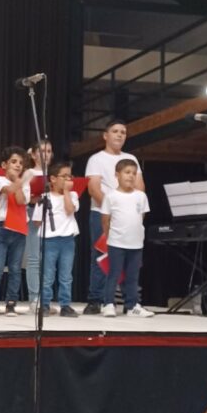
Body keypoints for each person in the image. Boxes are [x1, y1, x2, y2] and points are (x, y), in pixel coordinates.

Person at [84, 120, 144, 314]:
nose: (119, 135)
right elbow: (94, 189)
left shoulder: (131, 158)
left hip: (128, 217)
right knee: (101, 255)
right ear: (105, 135)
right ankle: (97, 299)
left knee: (129, 259)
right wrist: (113, 210)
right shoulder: (96, 159)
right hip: (102, 213)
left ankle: (130, 302)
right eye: (115, 131)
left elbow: (140, 187)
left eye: (123, 132)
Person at [101, 158, 154, 318]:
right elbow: (105, 220)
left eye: (133, 173)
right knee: (114, 274)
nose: (131, 176)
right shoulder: (111, 196)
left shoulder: (141, 196)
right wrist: (110, 237)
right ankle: (108, 304)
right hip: (116, 242)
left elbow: (141, 216)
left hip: (136, 244)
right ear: (117, 175)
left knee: (132, 276)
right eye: (127, 172)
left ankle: (132, 306)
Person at [0, 146, 30, 316]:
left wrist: (20, 181)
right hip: (1, 226)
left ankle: (11, 303)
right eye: (13, 162)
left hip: (19, 228)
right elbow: (9, 190)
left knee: (15, 268)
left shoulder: (25, 184)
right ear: (4, 165)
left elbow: (20, 200)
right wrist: (19, 180)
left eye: (21, 163)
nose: (18, 165)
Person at [32, 161, 79, 318]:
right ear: (53, 179)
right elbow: (37, 221)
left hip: (67, 240)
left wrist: (66, 191)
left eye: (70, 176)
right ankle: (45, 304)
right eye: (64, 176)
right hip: (49, 241)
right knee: (48, 275)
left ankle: (65, 305)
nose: (68, 179)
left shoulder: (72, 195)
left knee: (66, 276)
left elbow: (70, 209)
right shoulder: (44, 198)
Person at [24, 138, 53, 311]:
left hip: (52, 215)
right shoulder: (29, 173)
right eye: (42, 151)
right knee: (34, 257)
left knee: (49, 259)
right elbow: (25, 196)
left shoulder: (54, 173)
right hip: (33, 212)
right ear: (34, 155)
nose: (45, 155)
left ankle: (46, 297)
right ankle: (34, 298)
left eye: (48, 151)